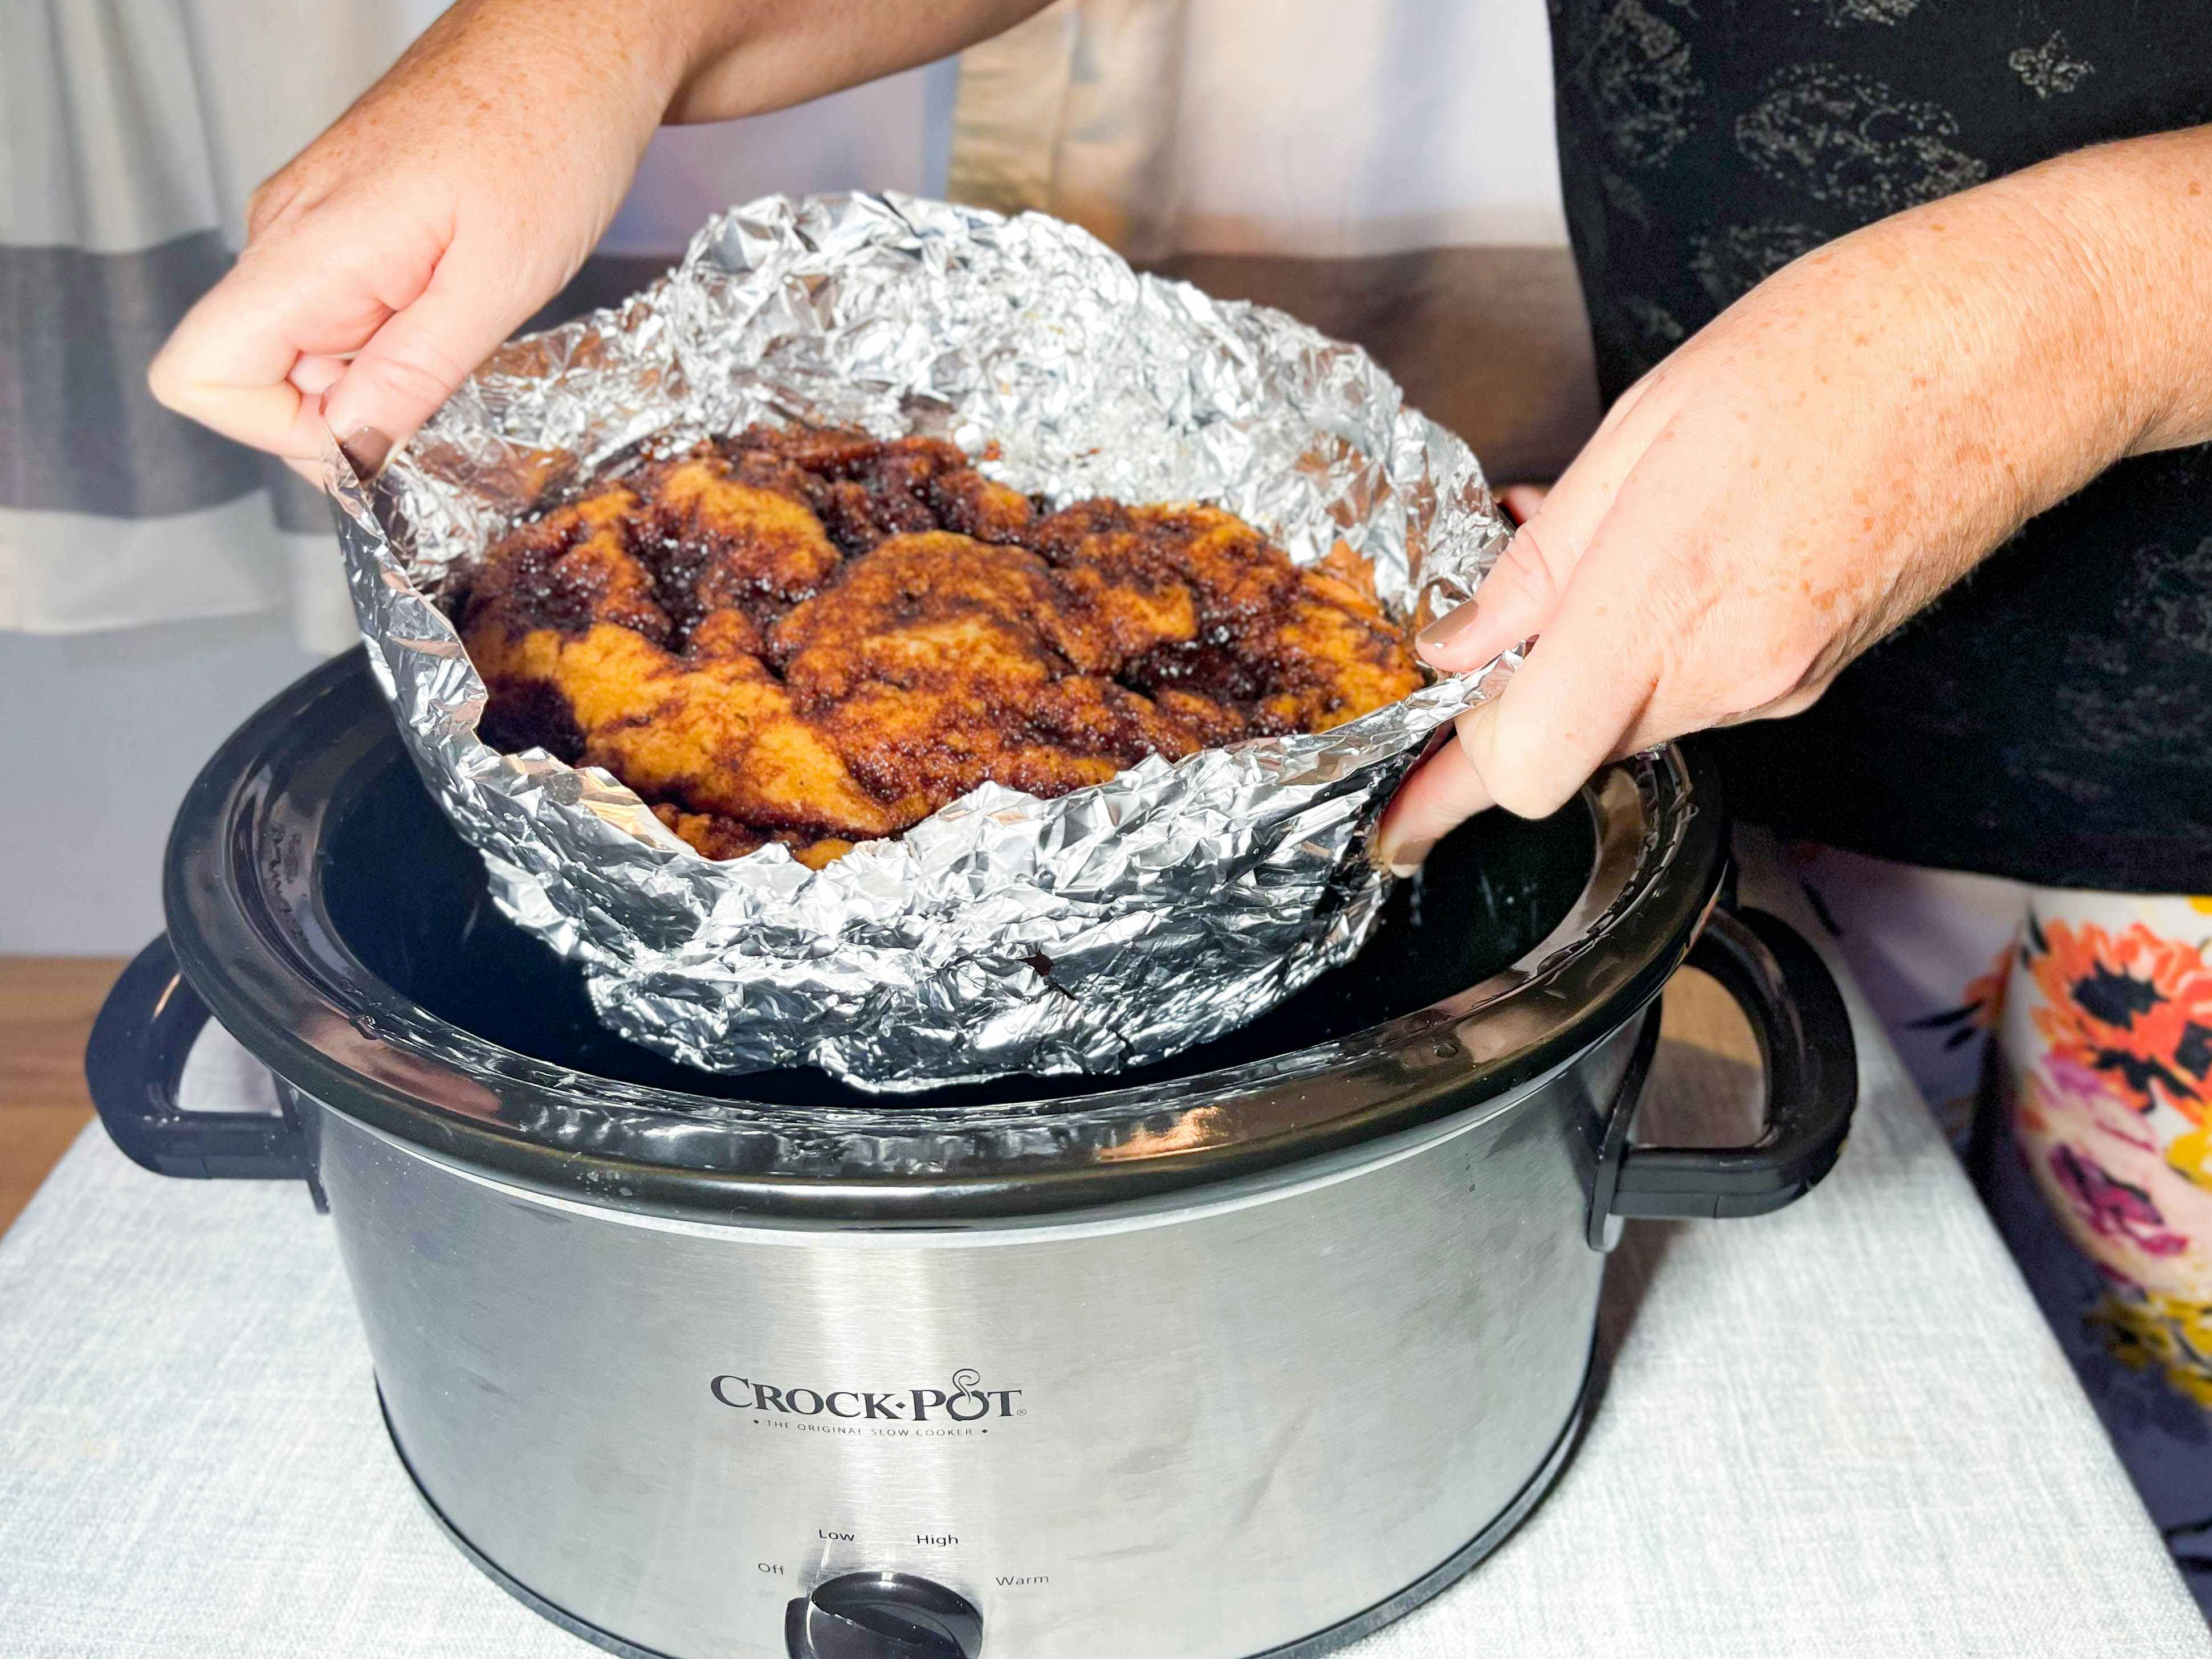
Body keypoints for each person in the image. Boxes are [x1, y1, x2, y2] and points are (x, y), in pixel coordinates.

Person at [148, 0, 2212, 1603]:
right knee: (1908, 1311)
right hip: (1763, 619)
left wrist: (2079, 317)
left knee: (2145, 1460)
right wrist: (592, 35)